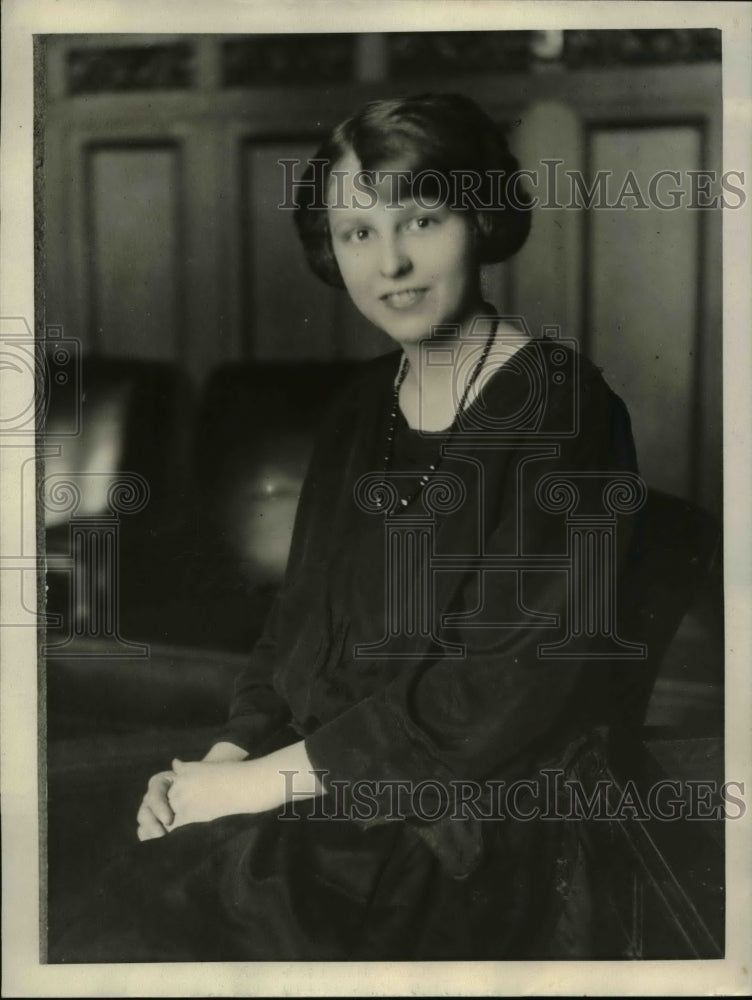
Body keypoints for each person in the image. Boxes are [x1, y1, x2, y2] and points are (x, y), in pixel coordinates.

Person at [55, 93, 641, 962]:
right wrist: (224, 759)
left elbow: (501, 695)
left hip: (474, 817)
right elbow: (298, 623)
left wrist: (255, 786)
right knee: (92, 877)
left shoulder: (564, 406)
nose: (392, 262)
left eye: (423, 219)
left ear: (481, 216)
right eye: (358, 232)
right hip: (324, 777)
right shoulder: (361, 407)